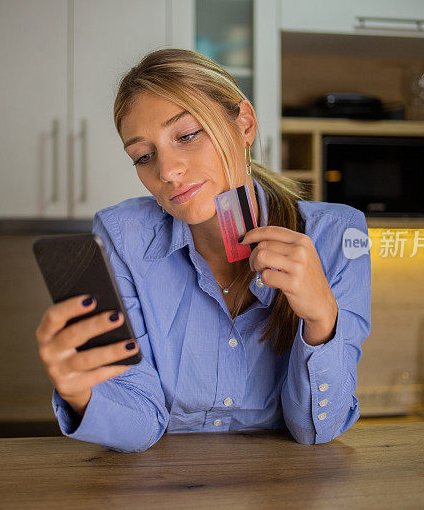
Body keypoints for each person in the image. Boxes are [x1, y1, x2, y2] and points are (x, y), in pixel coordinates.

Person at [34, 48, 371, 453]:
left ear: (244, 124)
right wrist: (81, 394)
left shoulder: (336, 235)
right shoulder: (123, 237)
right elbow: (143, 421)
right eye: (143, 156)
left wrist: (322, 320)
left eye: (187, 135)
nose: (167, 171)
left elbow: (315, 428)